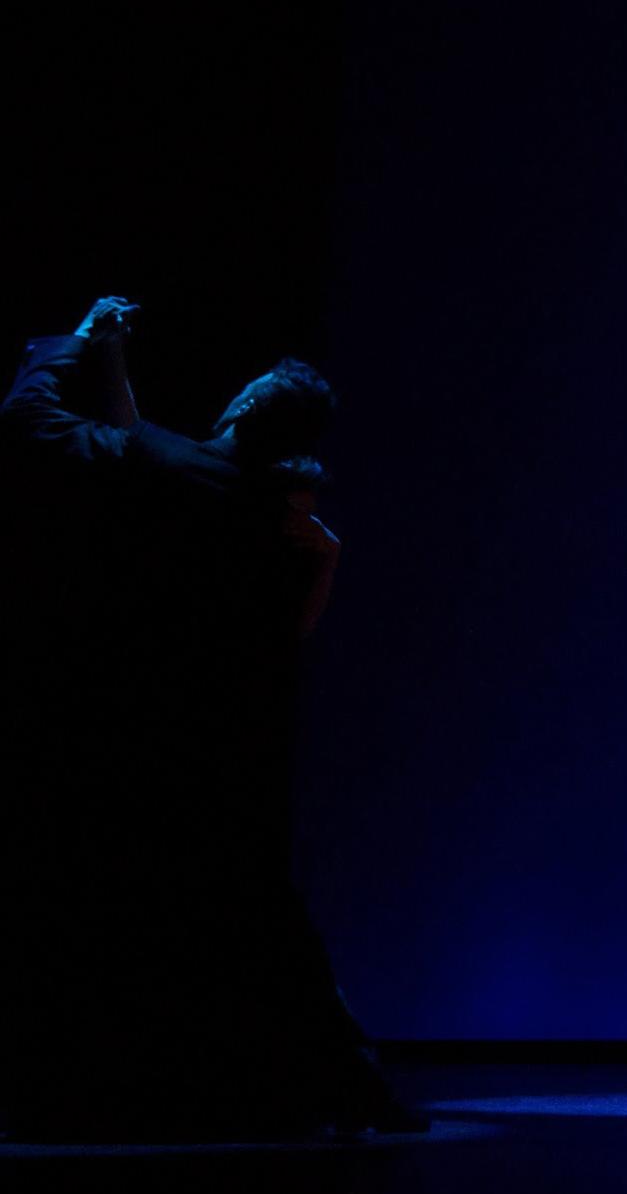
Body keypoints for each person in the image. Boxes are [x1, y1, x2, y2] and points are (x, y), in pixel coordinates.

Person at [0, 297, 413, 1140]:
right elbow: (159, 451)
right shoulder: (271, 515)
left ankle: (90, 1092)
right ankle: (348, 1082)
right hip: (220, 752)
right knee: (254, 914)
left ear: (250, 406)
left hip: (131, 735)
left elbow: (29, 419)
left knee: (113, 906)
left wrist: (78, 345)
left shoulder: (185, 477)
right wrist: (115, 370)